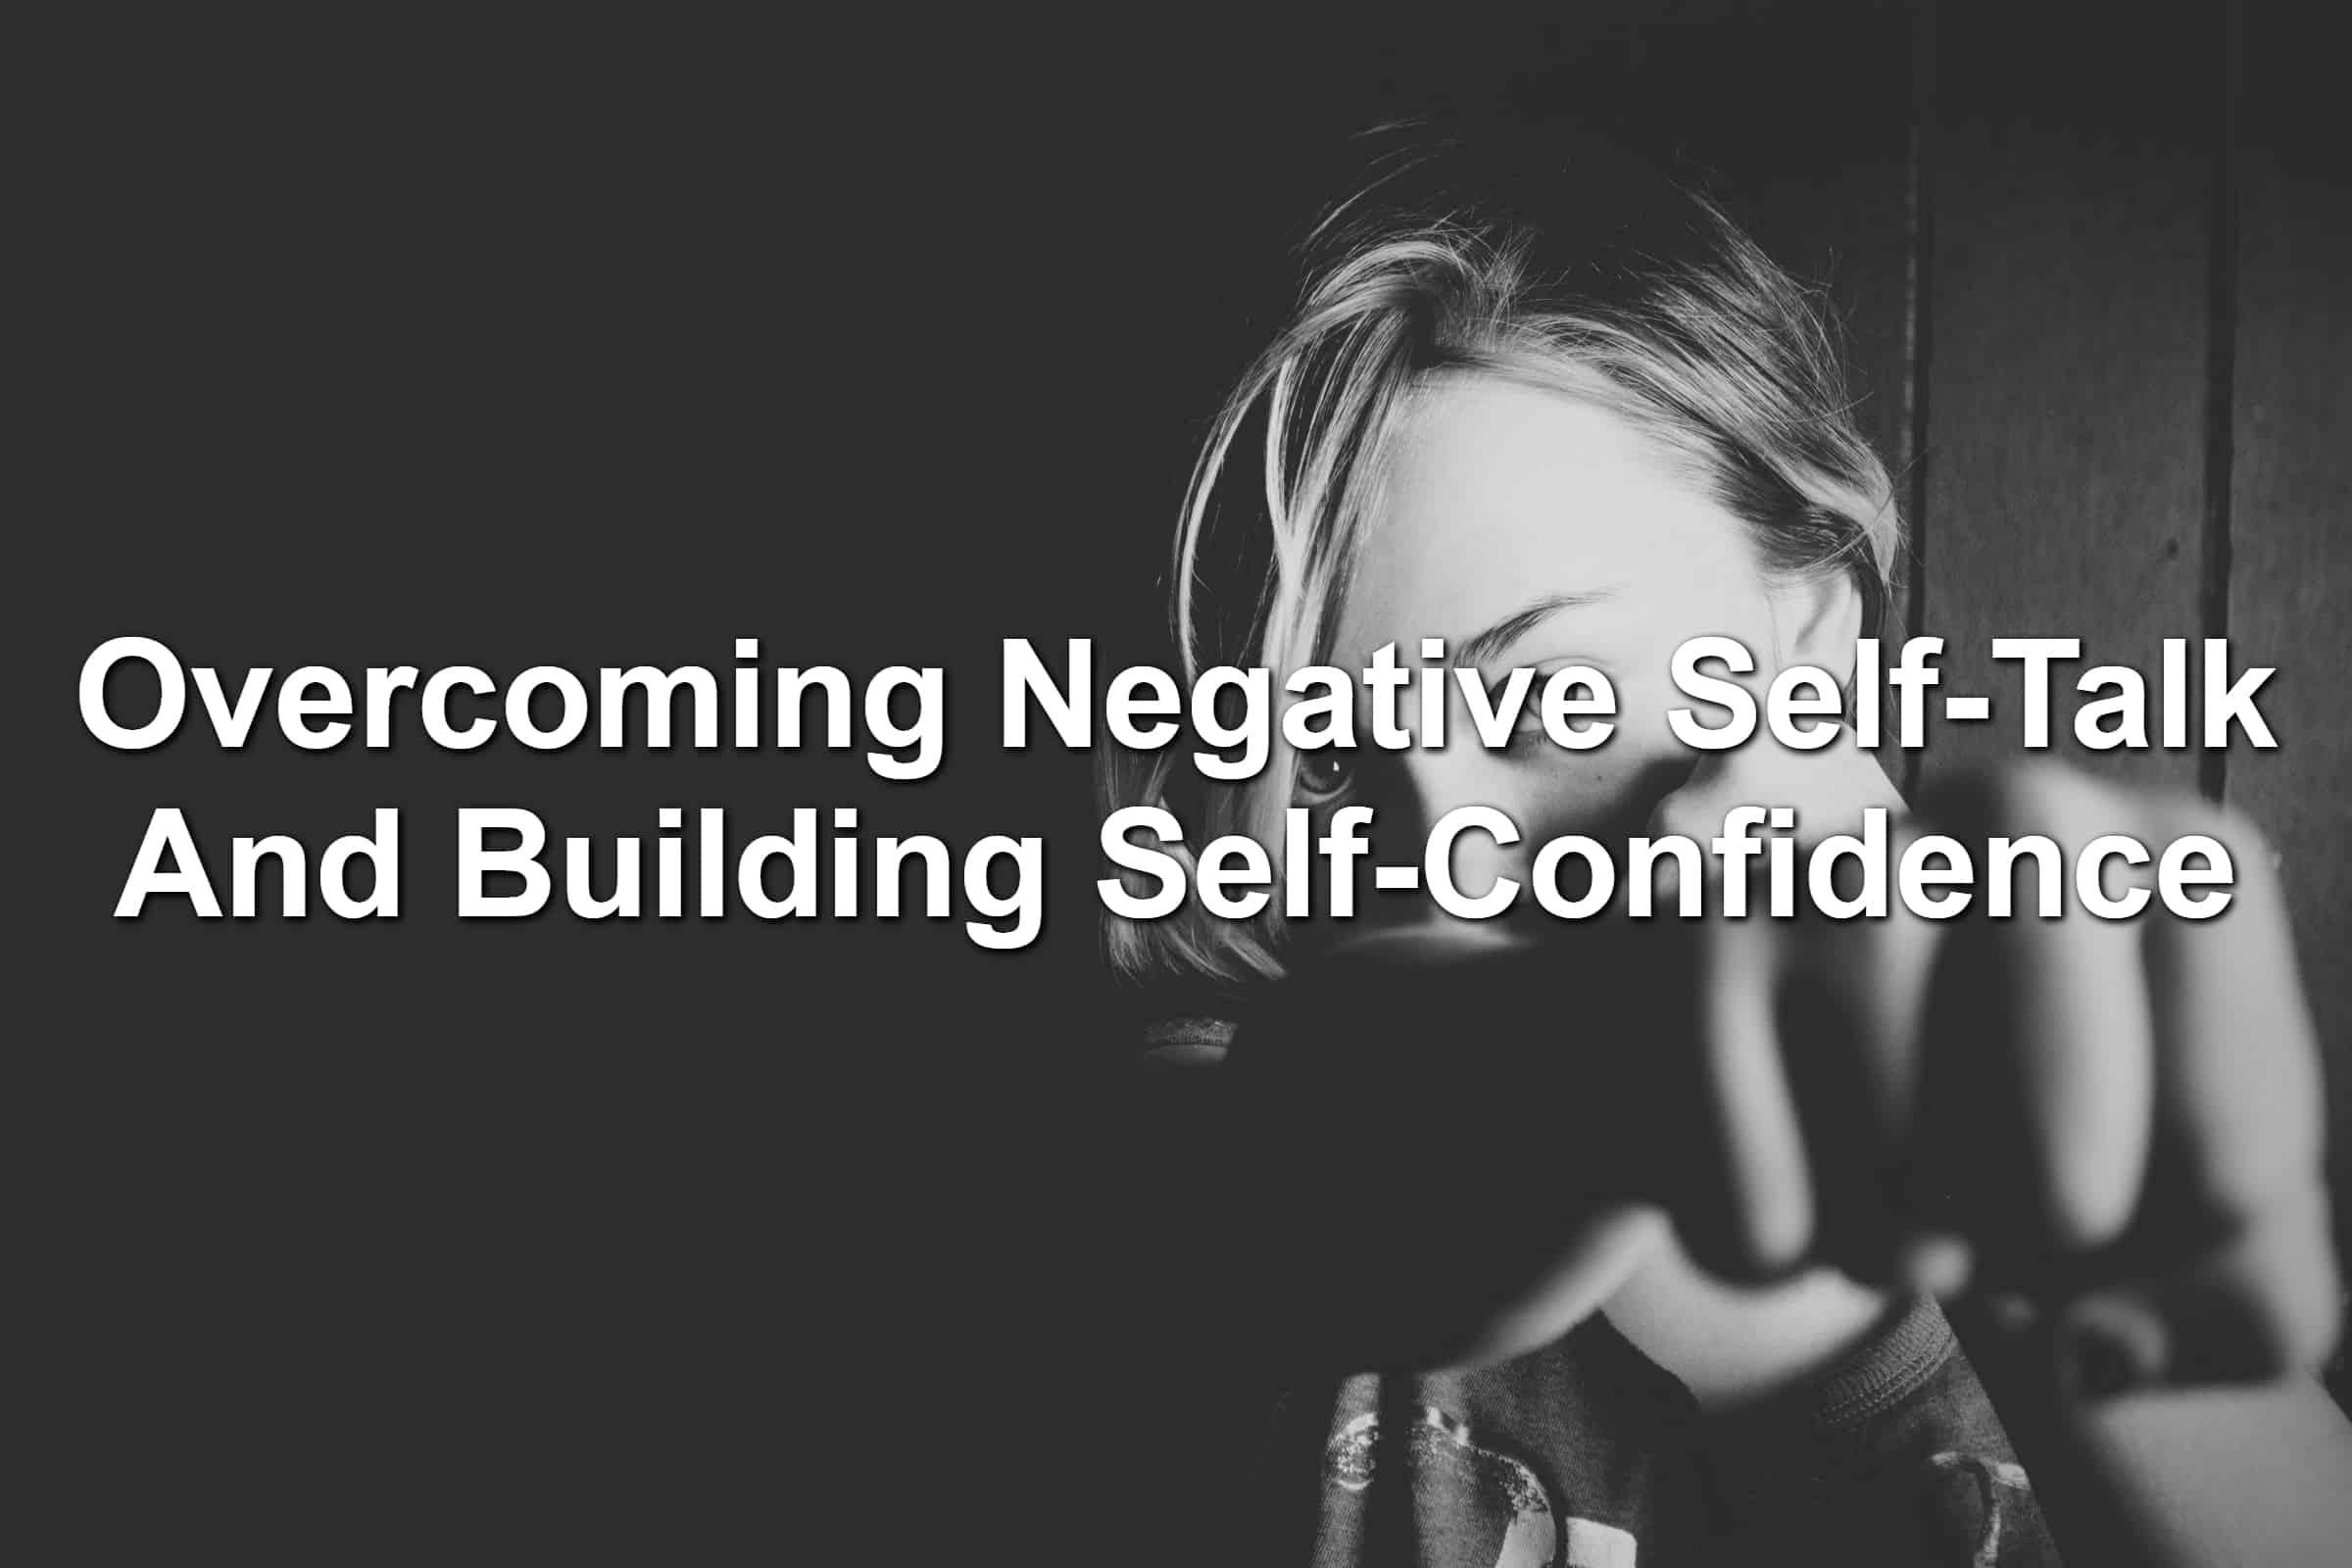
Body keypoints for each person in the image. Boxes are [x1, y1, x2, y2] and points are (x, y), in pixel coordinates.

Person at [1100, 124, 2351, 1565]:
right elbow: (1314, 1122)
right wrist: (1660, 1054)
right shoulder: (1196, 1131)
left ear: (1806, 635)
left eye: (1551, 696)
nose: (1449, 858)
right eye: (1324, 760)